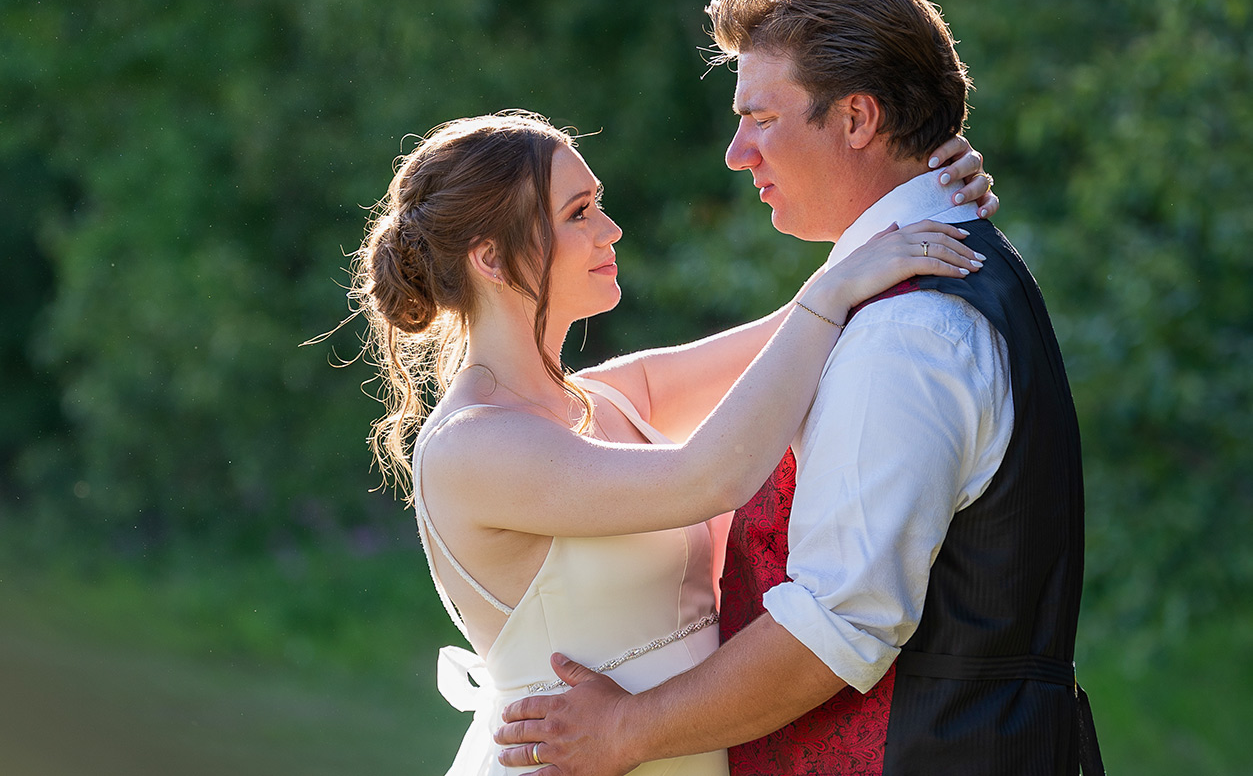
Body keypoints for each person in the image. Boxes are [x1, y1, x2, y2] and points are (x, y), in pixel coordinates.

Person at [495, 0, 1100, 776]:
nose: (735, 153)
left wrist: (627, 730)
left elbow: (835, 625)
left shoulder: (908, 330)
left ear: (856, 119)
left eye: (760, 117)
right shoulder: (914, 281)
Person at [353, 109, 996, 776]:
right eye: (578, 213)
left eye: (597, 204)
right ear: (490, 257)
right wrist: (839, 286)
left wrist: (920, 195)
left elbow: (797, 329)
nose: (610, 230)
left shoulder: (609, 398)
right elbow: (710, 477)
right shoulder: (473, 446)